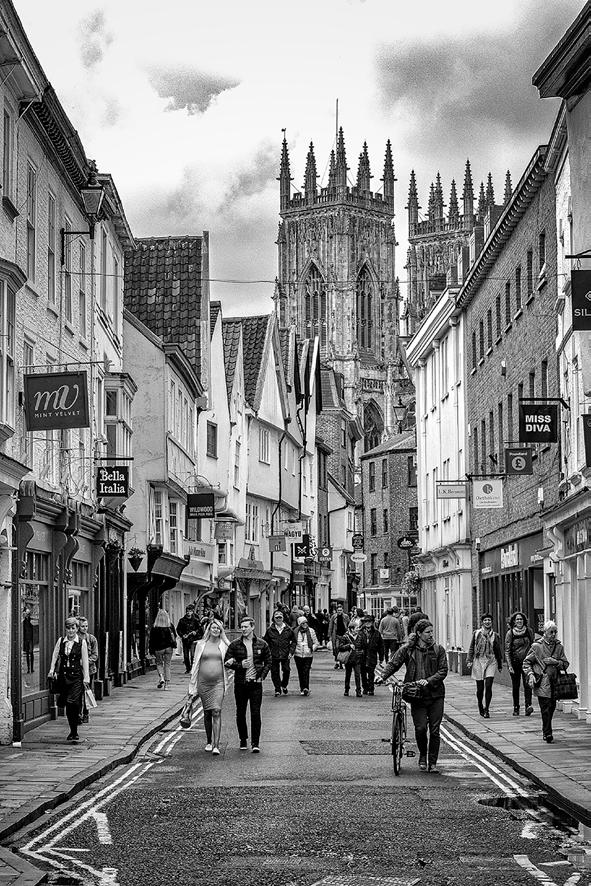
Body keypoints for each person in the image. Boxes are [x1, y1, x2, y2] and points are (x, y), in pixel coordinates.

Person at [380, 618, 448, 773]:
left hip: (436, 695)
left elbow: (443, 670)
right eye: (427, 632)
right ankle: (423, 755)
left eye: (432, 631)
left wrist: (428, 680)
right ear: (419, 633)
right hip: (416, 695)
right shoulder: (408, 649)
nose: (431, 635)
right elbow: (394, 663)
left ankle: (432, 763)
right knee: (420, 728)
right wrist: (382, 676)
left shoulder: (438, 649)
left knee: (435, 730)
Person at [224, 616, 271, 752]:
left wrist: (262, 677)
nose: (243, 629)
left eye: (246, 627)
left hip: (255, 684)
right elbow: (227, 662)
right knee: (240, 713)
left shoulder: (262, 644)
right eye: (242, 627)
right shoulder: (235, 644)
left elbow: (268, 661)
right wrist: (240, 665)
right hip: (240, 684)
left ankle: (255, 743)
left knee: (255, 713)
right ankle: (243, 739)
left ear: (252, 627)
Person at [186, 619, 229, 754]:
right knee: (207, 712)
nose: (216, 630)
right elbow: (195, 664)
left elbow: (232, 654)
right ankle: (209, 741)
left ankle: (216, 745)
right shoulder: (200, 644)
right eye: (213, 628)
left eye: (218, 628)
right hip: (203, 683)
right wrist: (192, 688)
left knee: (216, 711)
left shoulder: (224, 644)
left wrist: (225, 638)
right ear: (209, 630)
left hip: (218, 683)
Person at [523, 620, 569, 743]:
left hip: (555, 681)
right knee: (545, 707)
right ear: (545, 632)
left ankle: (546, 729)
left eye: (555, 632)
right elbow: (526, 663)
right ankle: (548, 733)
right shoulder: (536, 646)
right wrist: (530, 674)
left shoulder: (559, 647)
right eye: (551, 632)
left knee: (552, 707)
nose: (553, 634)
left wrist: (556, 662)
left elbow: (565, 664)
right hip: (542, 681)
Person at [48, 617, 90, 743]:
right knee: (68, 704)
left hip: (76, 677)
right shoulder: (61, 641)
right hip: (64, 677)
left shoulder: (81, 642)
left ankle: (74, 731)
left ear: (77, 629)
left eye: (73, 628)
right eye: (68, 628)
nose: (71, 631)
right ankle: (73, 731)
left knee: (73, 702)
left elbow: (85, 661)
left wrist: (86, 677)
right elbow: (55, 656)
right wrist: (52, 670)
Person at [467, 613, 503, 718]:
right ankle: (480, 704)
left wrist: (500, 664)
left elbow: (498, 651)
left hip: (491, 660)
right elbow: (471, 648)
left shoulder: (495, 635)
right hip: (479, 660)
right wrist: (469, 660)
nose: (487, 622)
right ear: (482, 622)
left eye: (489, 620)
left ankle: (487, 709)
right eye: (485, 620)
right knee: (480, 688)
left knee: (488, 685)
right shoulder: (476, 633)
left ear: (492, 622)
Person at [504, 611, 535, 716]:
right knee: (516, 686)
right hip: (515, 663)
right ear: (514, 621)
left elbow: (533, 646)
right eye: (517, 619)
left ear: (524, 620)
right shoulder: (510, 633)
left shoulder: (529, 631)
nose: (519, 621)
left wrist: (533, 661)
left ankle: (528, 706)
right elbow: (507, 650)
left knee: (528, 685)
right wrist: (509, 665)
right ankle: (516, 707)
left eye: (521, 619)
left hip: (527, 663)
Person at [263, 610, 296, 697]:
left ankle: (284, 685)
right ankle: (277, 689)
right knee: (274, 672)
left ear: (283, 618)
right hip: (273, 654)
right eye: (276, 617)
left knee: (286, 670)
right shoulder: (270, 630)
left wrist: (291, 652)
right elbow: (266, 643)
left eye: (280, 617)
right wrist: (267, 653)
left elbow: (294, 642)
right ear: (273, 618)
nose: (278, 619)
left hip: (286, 654)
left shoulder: (288, 629)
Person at [78, 616, 99, 724]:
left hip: (89, 670)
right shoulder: (75, 638)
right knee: (77, 693)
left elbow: (95, 655)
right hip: (77, 671)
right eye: (82, 626)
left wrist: (85, 662)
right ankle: (78, 714)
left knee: (86, 692)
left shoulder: (92, 639)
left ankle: (86, 713)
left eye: (86, 626)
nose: (85, 628)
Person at [149, 609, 177, 690]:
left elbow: (151, 640)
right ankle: (166, 685)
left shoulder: (155, 627)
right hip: (169, 648)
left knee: (159, 663)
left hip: (158, 648)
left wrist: (151, 650)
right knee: (167, 665)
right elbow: (175, 636)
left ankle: (161, 677)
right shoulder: (170, 626)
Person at [339, 620, 366, 697]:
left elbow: (363, 647)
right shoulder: (345, 637)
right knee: (348, 675)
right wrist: (349, 646)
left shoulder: (360, 637)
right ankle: (346, 689)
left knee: (357, 675)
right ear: (352, 629)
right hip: (349, 659)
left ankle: (358, 691)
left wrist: (361, 653)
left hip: (357, 659)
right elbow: (340, 647)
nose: (358, 629)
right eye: (356, 628)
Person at [293, 615, 319, 696]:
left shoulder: (311, 631)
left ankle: (306, 688)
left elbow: (316, 642)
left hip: (308, 655)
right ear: (299, 624)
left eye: (306, 623)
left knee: (306, 671)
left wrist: (311, 649)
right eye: (303, 623)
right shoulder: (295, 631)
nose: (305, 624)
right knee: (300, 672)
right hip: (298, 654)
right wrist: (294, 650)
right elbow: (293, 642)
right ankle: (302, 688)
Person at [360, 614, 384, 695]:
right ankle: (365, 688)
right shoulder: (360, 632)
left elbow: (381, 646)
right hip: (362, 656)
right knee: (363, 673)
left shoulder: (376, 633)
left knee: (371, 673)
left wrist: (381, 657)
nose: (367, 623)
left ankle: (371, 688)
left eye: (369, 621)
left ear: (372, 622)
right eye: (366, 621)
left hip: (372, 656)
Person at [177, 606, 203, 673]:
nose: (188, 612)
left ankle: (192, 668)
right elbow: (178, 629)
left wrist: (195, 632)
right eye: (187, 611)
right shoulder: (182, 620)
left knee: (192, 655)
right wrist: (182, 635)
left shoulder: (195, 620)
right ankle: (188, 668)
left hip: (193, 640)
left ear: (192, 612)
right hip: (185, 640)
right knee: (186, 656)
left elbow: (200, 629)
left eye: (190, 611)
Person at [328, 604, 350, 669]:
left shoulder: (346, 616)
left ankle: (342, 662)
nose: (339, 611)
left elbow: (349, 625)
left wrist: (349, 633)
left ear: (342, 610)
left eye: (340, 610)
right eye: (338, 610)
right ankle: (337, 662)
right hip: (336, 635)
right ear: (336, 611)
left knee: (343, 649)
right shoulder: (333, 617)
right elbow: (330, 626)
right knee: (336, 648)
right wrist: (329, 635)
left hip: (344, 635)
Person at [23, 608, 34, 674]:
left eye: (27, 614)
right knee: (27, 654)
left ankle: (31, 668)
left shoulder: (31, 621)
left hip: (30, 639)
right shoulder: (24, 622)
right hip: (26, 639)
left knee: (31, 653)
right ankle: (28, 668)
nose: (26, 615)